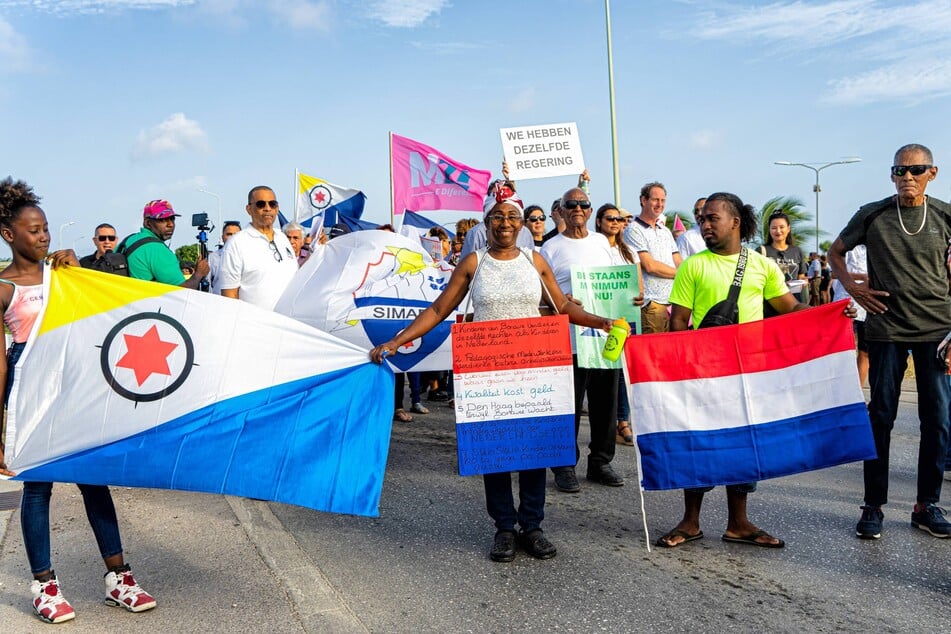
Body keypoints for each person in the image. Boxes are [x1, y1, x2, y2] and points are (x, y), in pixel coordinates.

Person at [369, 190, 616, 562]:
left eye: (512, 217)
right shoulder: (474, 262)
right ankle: (503, 526)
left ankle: (532, 526)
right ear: (487, 224)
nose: (505, 224)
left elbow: (561, 305)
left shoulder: (536, 260)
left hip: (533, 365)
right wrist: (396, 340)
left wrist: (602, 322)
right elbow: (439, 308)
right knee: (495, 449)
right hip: (488, 368)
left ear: (522, 225)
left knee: (534, 445)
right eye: (497, 217)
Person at [0, 178, 156, 624]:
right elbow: (1, 365)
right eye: (33, 230)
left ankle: (118, 577)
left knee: (92, 475)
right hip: (30, 382)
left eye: (46, 228)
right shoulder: (5, 288)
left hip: (75, 382)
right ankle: (44, 585)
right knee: (38, 484)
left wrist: (89, 268)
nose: (44, 235)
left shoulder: (66, 272)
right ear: (9, 235)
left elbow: (113, 306)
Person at [657, 192, 811, 549]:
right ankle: (690, 521)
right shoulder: (693, 266)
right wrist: (682, 368)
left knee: (744, 445)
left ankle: (738, 523)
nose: (705, 225)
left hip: (749, 372)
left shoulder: (761, 265)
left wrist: (836, 313)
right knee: (700, 443)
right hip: (704, 371)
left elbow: (788, 307)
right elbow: (678, 322)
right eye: (703, 220)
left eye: (713, 219)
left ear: (735, 222)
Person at [829, 143, 951, 540]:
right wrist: (851, 288)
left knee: (938, 420)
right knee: (880, 416)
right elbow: (836, 252)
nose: (907, 178)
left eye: (916, 170)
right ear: (891, 174)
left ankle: (925, 505)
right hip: (886, 329)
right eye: (900, 171)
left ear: (932, 173)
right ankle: (873, 506)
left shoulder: (945, 215)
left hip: (936, 329)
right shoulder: (873, 214)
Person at [541, 188, 638, 492]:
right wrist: (562, 299)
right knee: (568, 404)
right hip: (569, 337)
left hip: (604, 335)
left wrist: (631, 297)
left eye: (583, 204)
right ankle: (564, 466)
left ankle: (600, 461)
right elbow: (543, 292)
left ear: (589, 209)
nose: (578, 209)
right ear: (562, 209)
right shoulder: (550, 248)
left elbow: (615, 283)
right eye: (572, 204)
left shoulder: (600, 243)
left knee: (606, 403)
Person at [594, 203, 641, 447]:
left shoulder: (629, 252)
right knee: (601, 371)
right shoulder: (592, 248)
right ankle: (605, 423)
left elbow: (638, 286)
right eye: (610, 218)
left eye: (619, 219)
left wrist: (639, 298)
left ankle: (623, 420)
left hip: (623, 317)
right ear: (599, 221)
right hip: (596, 317)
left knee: (623, 371)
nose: (615, 222)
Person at [219, 186, 299, 310]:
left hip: (289, 323)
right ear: (249, 209)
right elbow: (229, 294)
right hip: (255, 325)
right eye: (261, 204)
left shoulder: (283, 238)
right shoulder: (237, 243)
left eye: (272, 204)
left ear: (277, 208)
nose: (267, 208)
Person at [624, 182, 682, 333]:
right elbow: (650, 266)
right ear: (644, 200)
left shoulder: (665, 230)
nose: (660, 204)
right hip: (652, 304)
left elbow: (678, 261)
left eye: (663, 201)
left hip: (673, 303)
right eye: (655, 200)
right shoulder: (633, 230)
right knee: (656, 353)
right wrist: (681, 274)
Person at [119, 200, 208, 288]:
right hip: (146, 301)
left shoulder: (128, 240)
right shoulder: (157, 249)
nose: (170, 224)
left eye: (172, 219)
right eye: (163, 219)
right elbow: (182, 292)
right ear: (148, 223)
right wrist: (198, 274)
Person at [830, 245, 869, 388]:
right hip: (846, 306)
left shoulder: (877, 246)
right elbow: (834, 273)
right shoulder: (846, 246)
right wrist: (862, 277)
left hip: (868, 307)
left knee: (865, 352)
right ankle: (842, 391)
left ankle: (857, 392)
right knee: (844, 353)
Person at [208, 220, 241, 294]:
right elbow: (207, 284)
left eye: (236, 234)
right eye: (229, 234)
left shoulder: (248, 256)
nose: (232, 237)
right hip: (219, 300)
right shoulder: (213, 257)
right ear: (222, 237)